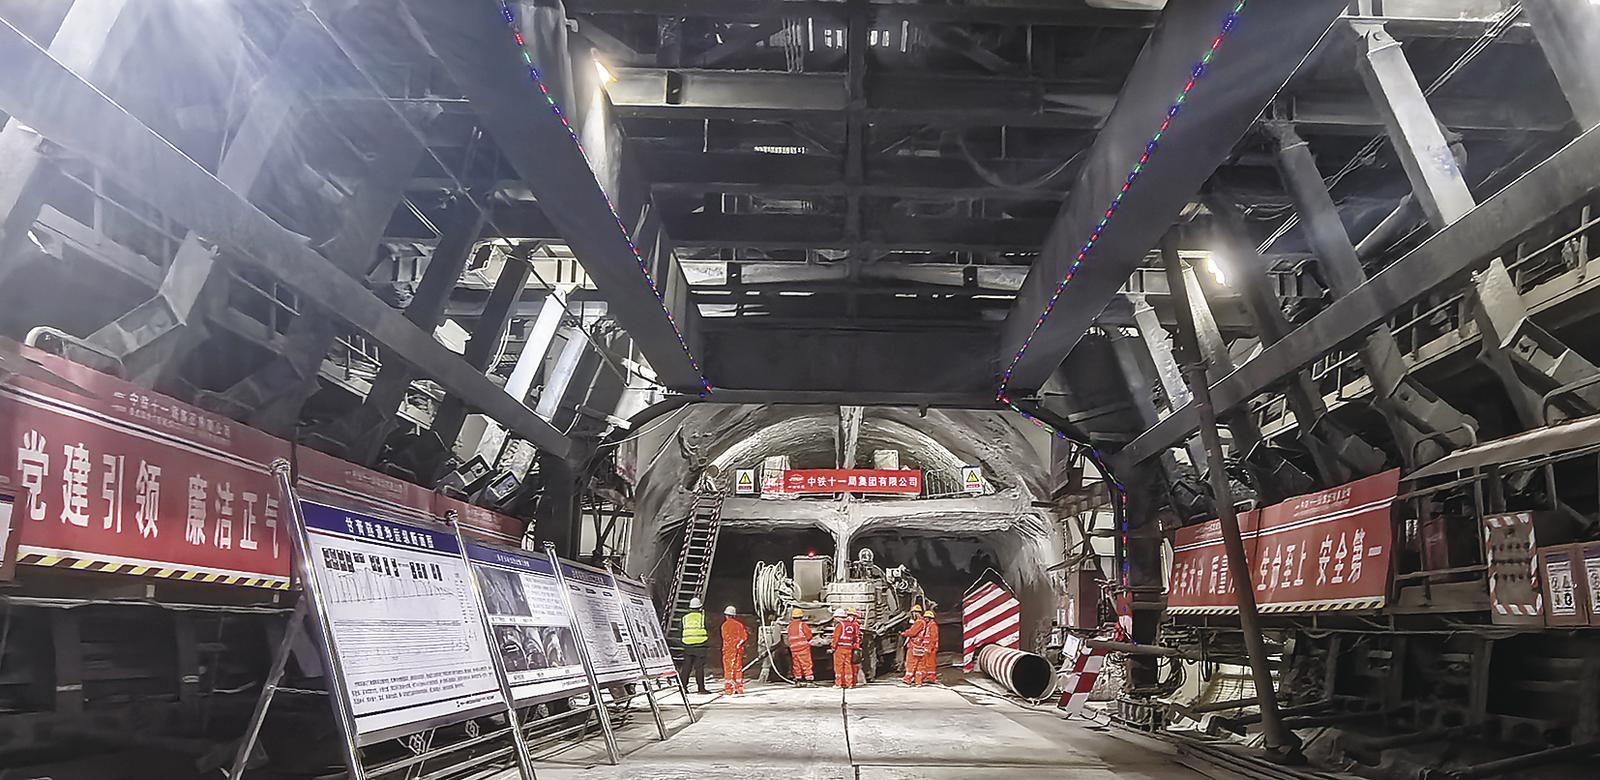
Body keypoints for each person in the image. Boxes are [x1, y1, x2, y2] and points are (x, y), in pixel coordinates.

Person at [679, 597, 711, 694]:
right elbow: (708, 627)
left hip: (688, 646)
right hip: (700, 646)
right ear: (700, 607)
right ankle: (701, 688)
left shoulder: (685, 618)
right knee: (699, 668)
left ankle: (683, 687)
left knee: (686, 668)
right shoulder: (702, 618)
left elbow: (680, 630)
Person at [721, 605, 748, 695]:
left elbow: (726, 638)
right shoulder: (739, 625)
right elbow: (744, 637)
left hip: (728, 650)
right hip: (738, 650)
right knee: (738, 669)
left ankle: (729, 689)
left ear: (726, 615)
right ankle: (739, 688)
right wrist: (738, 644)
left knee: (728, 669)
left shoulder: (724, 625)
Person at [830, 608, 860, 689]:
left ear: (838, 617)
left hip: (840, 648)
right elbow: (855, 637)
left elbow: (836, 637)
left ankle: (838, 684)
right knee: (848, 665)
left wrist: (833, 647)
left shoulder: (839, 625)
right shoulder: (851, 625)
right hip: (849, 648)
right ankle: (849, 683)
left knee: (838, 666)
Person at [786, 607, 815, 685]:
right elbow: (809, 635)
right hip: (803, 648)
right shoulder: (802, 625)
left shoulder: (789, 626)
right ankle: (809, 680)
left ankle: (798, 679)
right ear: (801, 617)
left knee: (796, 664)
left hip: (793, 649)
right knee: (806, 663)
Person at [900, 604, 927, 685]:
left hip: (914, 645)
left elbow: (912, 632)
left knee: (911, 663)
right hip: (920, 645)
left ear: (916, 613)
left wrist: (903, 633)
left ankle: (907, 679)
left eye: (913, 613)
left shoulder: (919, 622)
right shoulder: (923, 622)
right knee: (919, 665)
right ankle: (918, 682)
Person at [917, 607, 941, 686]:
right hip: (928, 647)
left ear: (930, 618)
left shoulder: (933, 625)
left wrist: (930, 648)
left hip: (931, 648)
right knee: (927, 663)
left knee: (930, 664)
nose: (925, 619)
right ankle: (929, 677)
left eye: (926, 618)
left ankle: (930, 678)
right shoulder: (928, 625)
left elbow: (933, 638)